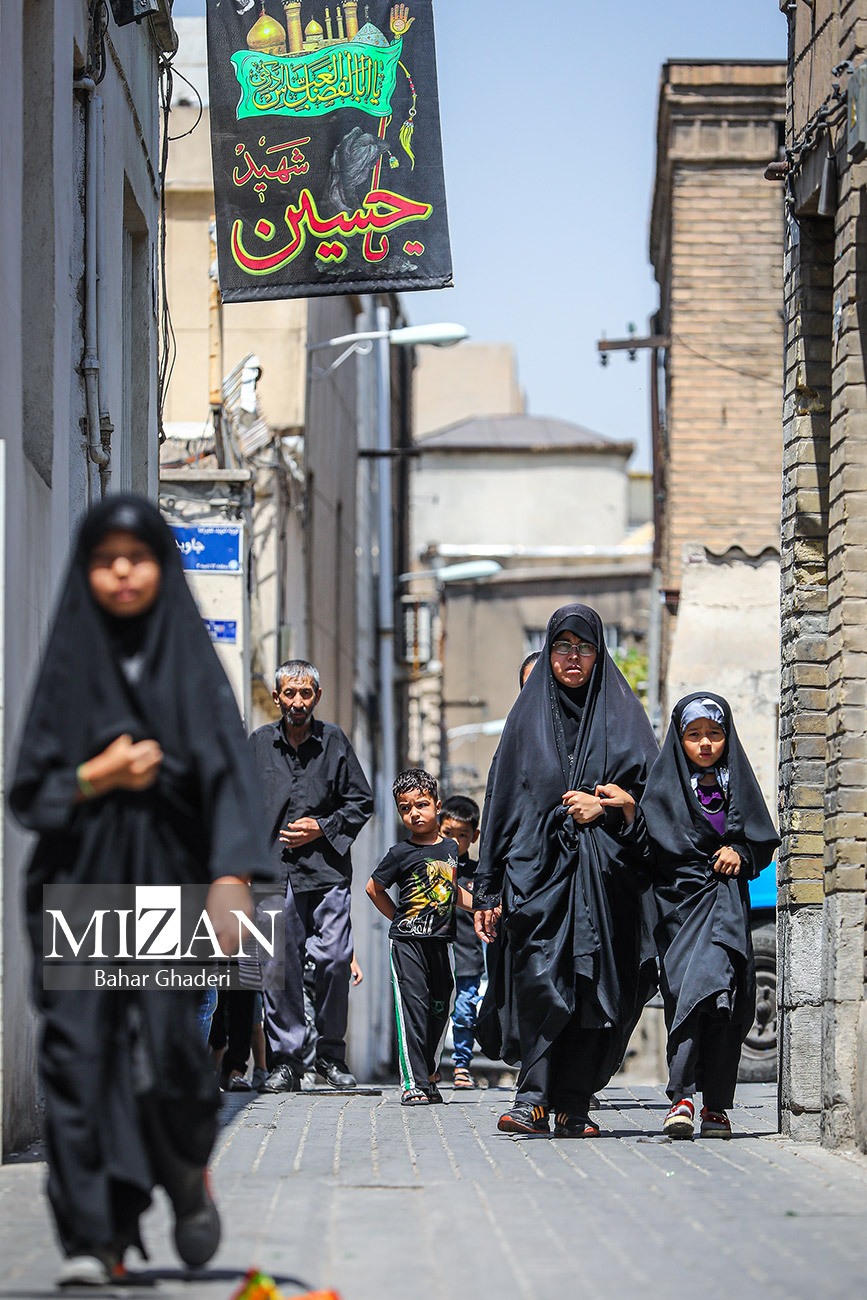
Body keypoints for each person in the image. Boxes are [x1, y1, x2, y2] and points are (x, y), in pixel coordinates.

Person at [9, 495, 272, 1287]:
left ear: (161, 565)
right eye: (104, 559)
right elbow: (30, 793)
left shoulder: (190, 665)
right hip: (78, 883)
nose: (121, 572)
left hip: (170, 885)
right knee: (80, 1060)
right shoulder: (69, 664)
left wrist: (231, 877)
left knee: (168, 1060)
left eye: (138, 557)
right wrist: (98, 775)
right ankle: (97, 1238)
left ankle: (185, 1168)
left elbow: (227, 777)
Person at [473, 604, 658, 1137]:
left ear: (600, 654)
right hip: (536, 879)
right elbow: (501, 802)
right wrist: (486, 888)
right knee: (538, 981)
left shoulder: (625, 720)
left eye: (584, 648)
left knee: (590, 987)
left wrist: (607, 809)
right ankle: (532, 1099)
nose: (573, 658)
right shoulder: (524, 722)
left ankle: (574, 1104)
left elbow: (653, 804)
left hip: (606, 881)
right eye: (562, 646)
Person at [635, 693, 780, 1139]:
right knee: (688, 997)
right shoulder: (662, 787)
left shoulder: (738, 783)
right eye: (694, 734)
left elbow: (759, 840)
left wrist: (740, 852)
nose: (704, 743)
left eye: (714, 734)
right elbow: (645, 847)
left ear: (726, 737)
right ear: (679, 739)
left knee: (728, 1003)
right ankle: (681, 1097)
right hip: (678, 910)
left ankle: (715, 1106)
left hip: (727, 908)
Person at [250, 660, 374, 1092]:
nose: (298, 701)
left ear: (317, 696)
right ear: (277, 697)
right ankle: (286, 1062)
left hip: (326, 871)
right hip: (272, 870)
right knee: (277, 966)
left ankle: (330, 1055)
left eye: (306, 693)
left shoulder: (334, 740)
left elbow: (361, 801)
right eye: (290, 693)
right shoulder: (259, 744)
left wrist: (321, 827)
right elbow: (241, 804)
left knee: (335, 958)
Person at [365, 769, 473, 1105]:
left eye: (421, 805)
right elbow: (373, 888)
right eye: (405, 808)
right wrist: (398, 918)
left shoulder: (450, 849)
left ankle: (429, 1073)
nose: (414, 813)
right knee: (413, 1008)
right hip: (408, 944)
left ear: (437, 806)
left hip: (442, 943)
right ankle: (413, 1083)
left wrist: (483, 907)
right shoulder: (400, 853)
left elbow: (451, 891)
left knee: (441, 1007)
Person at [439, 795, 483, 1089]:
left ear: (474, 836)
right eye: (448, 833)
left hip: (468, 957)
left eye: (462, 835)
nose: (455, 841)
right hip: (437, 954)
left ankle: (461, 1065)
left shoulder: (479, 874)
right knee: (435, 1012)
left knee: (466, 1012)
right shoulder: (429, 865)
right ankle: (430, 1067)